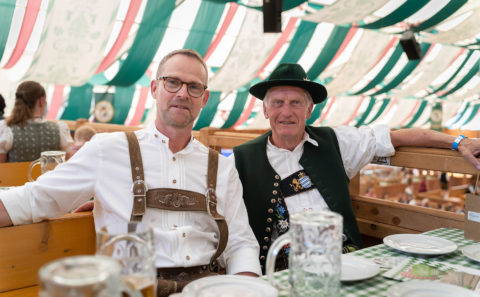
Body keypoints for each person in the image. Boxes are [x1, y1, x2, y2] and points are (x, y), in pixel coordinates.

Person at [0, 49, 261, 295]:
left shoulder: (222, 167)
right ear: (155, 88)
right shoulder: (107, 150)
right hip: (131, 288)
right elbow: (37, 197)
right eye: (172, 82)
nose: (183, 93)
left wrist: (246, 291)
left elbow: (240, 243)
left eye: (193, 87)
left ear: (204, 99)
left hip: (205, 289)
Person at [233, 63, 480, 272]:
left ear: (309, 109)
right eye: (277, 102)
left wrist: (459, 141)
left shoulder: (337, 143)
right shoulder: (239, 159)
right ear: (265, 109)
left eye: (296, 102)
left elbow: (399, 137)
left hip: (346, 264)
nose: (286, 111)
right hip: (284, 272)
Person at [0, 81, 73, 162]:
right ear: (41, 101)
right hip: (49, 175)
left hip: (17, 175)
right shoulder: (58, 128)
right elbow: (67, 160)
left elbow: (1, 166)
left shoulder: (6, 127)